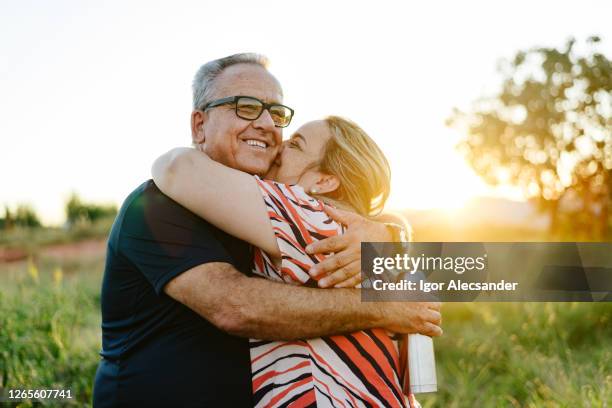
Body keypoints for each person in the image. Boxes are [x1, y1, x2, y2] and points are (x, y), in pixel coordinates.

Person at [93, 53, 441, 407]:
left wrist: (394, 238)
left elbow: (486, 270)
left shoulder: (307, 216)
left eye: (275, 113)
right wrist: (385, 298)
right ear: (199, 126)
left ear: (324, 179)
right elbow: (235, 307)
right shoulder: (155, 205)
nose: (267, 125)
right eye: (244, 106)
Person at [152, 116, 424, 407]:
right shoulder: (370, 239)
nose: (280, 147)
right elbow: (470, 273)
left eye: (296, 144)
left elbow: (175, 167)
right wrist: (397, 232)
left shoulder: (308, 215)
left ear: (324, 180)